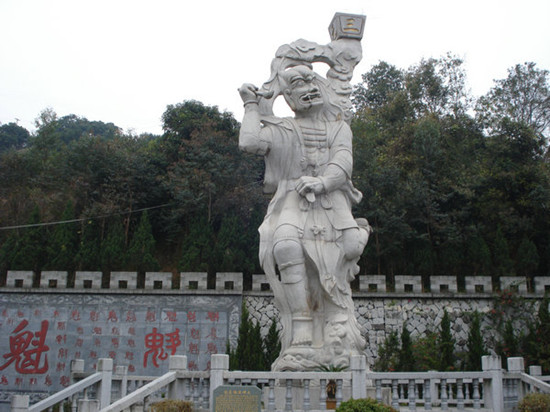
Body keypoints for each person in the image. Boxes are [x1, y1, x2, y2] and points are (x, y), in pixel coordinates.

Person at [239, 65, 370, 371]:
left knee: (349, 246)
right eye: (298, 84)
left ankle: (338, 316)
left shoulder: (338, 127)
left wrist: (323, 182)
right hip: (293, 198)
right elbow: (249, 143)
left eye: (311, 81)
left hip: (330, 197)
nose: (309, 88)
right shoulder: (284, 128)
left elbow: (343, 162)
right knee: (285, 245)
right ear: (288, 96)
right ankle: (301, 325)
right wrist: (250, 104)